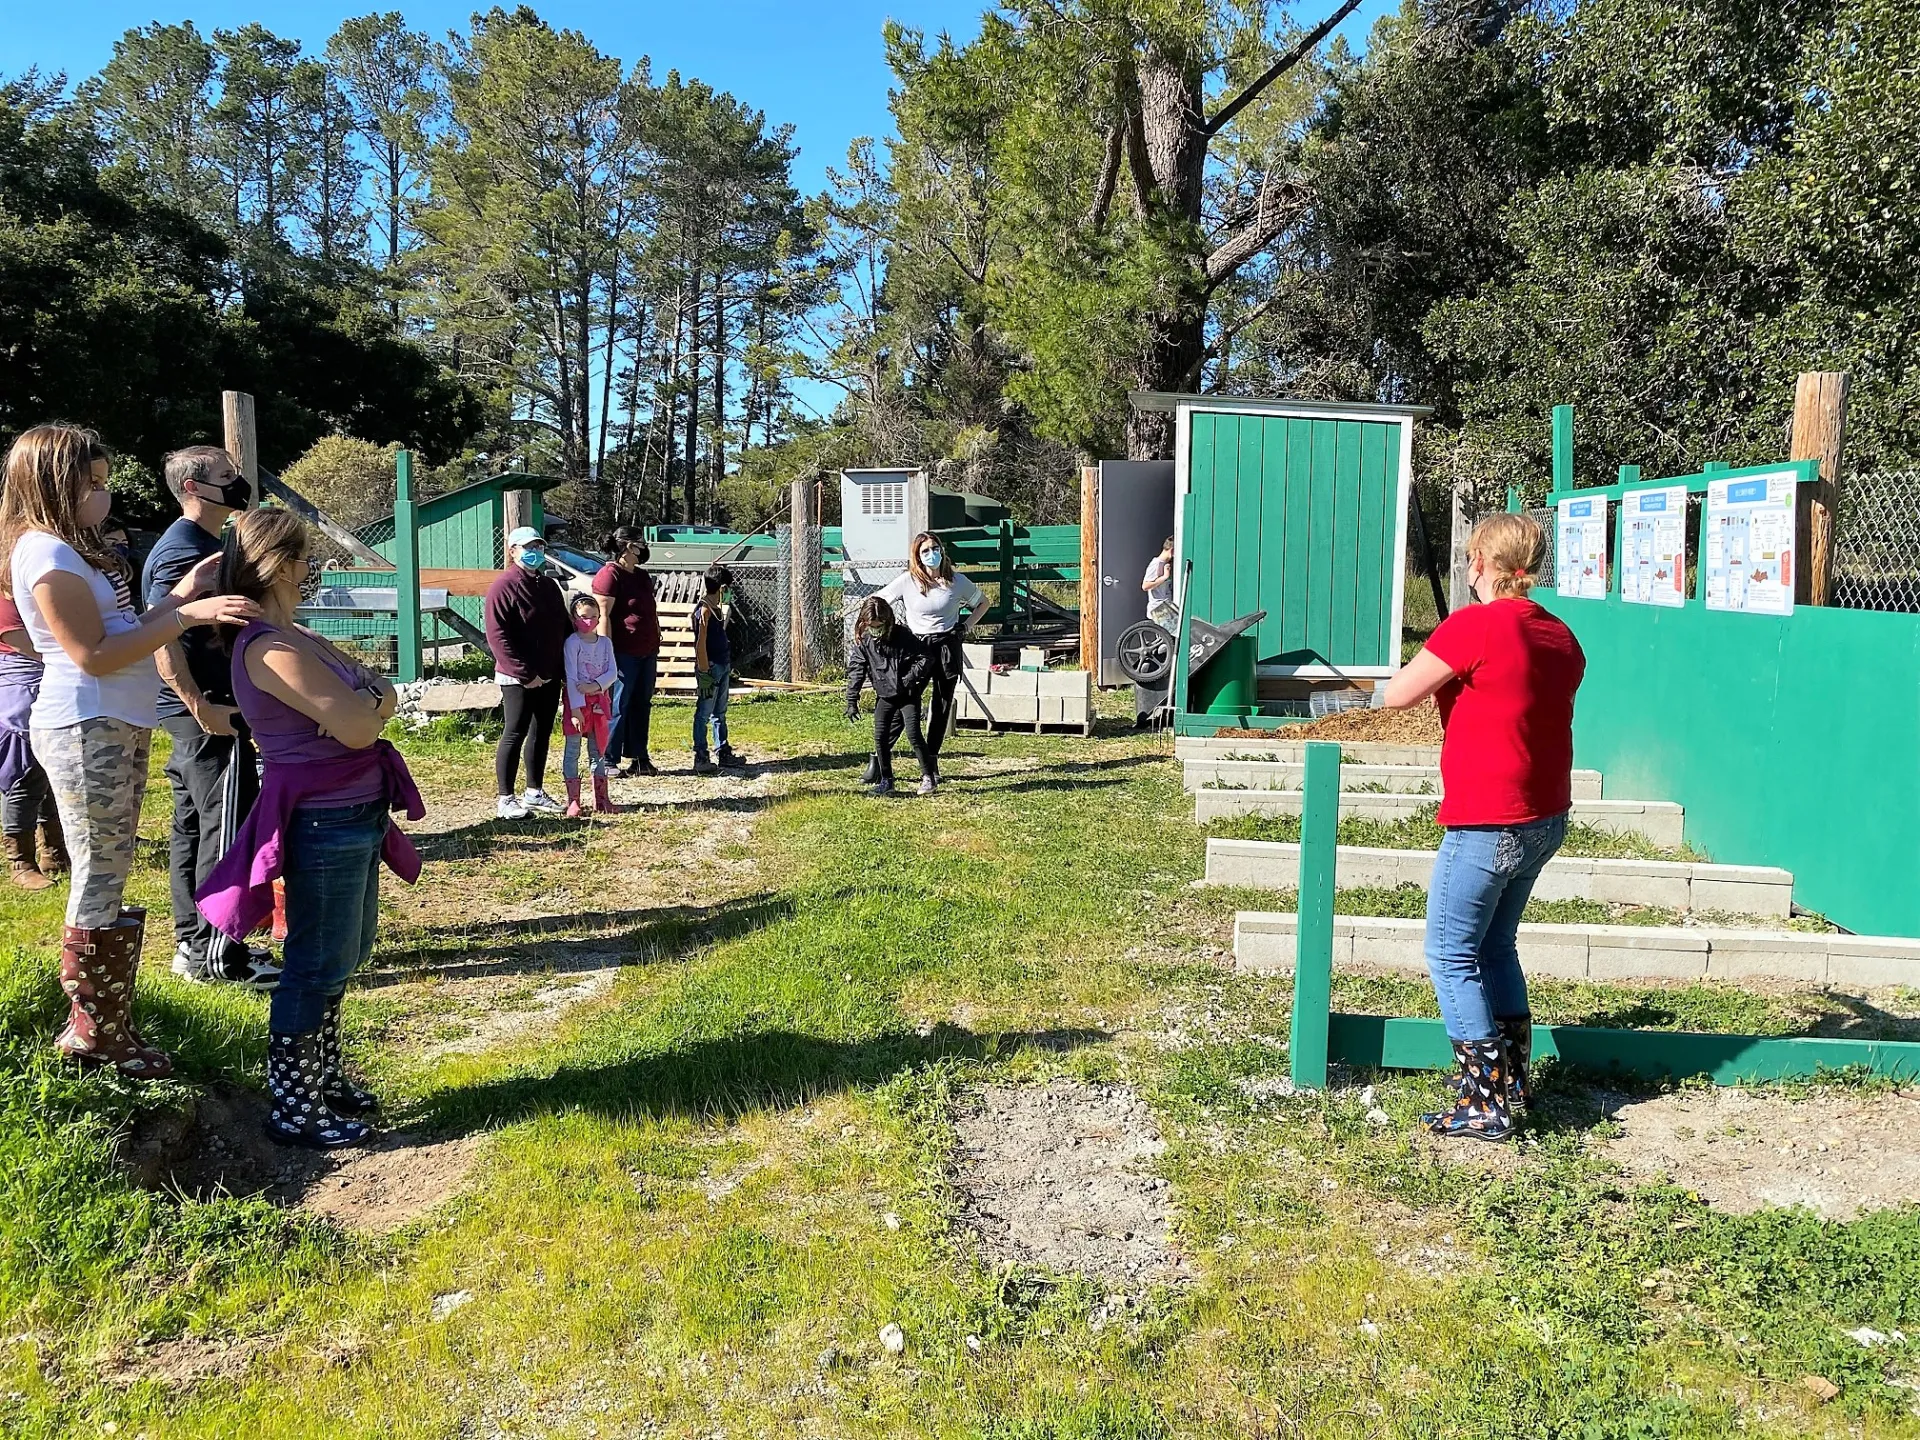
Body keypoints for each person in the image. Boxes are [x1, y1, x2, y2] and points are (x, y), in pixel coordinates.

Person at [2, 424, 258, 1078]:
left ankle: (109, 1025)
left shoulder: (68, 550)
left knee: (110, 872)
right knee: (98, 874)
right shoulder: (46, 555)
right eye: (91, 483)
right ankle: (93, 1035)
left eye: (103, 481)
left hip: (113, 723)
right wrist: (187, 617)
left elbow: (125, 632)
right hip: (87, 726)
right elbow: (92, 656)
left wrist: (177, 597)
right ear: (54, 483)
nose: (103, 495)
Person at [196, 509, 423, 1150]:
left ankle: (320, 1079)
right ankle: (294, 1106)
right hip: (324, 819)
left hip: (353, 812)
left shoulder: (297, 636)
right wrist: (368, 707)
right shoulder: (270, 647)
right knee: (315, 963)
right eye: (303, 558)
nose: (310, 569)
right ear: (279, 566)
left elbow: (377, 695)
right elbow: (360, 724)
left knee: (344, 954)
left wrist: (368, 704)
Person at [1381, 512, 1585, 1142]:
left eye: (1471, 558)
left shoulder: (1473, 625)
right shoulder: (1560, 634)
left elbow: (1398, 694)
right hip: (1544, 817)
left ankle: (1483, 1102)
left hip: (1487, 820)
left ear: (1481, 563)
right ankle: (1511, 1081)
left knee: (1450, 953)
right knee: (1496, 946)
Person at [143, 445, 278, 988]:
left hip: (203, 707)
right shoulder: (184, 551)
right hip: (207, 709)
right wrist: (199, 705)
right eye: (226, 476)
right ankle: (219, 956)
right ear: (193, 488)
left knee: (195, 827)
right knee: (225, 829)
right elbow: (161, 634)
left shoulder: (207, 543)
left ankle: (193, 945)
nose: (238, 483)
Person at [875, 533, 985, 781]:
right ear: (917, 556)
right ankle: (880, 757)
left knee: (941, 704)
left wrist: (965, 626)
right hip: (917, 648)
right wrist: (889, 630)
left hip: (947, 647)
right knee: (904, 700)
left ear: (942, 551)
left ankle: (932, 761)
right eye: (925, 550)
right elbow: (879, 601)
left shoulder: (957, 581)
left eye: (935, 548)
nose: (931, 554)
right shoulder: (908, 581)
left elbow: (983, 603)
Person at [484, 525, 571, 819]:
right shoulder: (503, 586)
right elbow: (498, 636)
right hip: (517, 677)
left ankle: (534, 791)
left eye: (539, 547)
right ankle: (506, 798)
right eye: (528, 547)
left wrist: (563, 668)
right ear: (513, 551)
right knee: (515, 731)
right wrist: (524, 673)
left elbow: (563, 627)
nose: (535, 552)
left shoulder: (548, 586)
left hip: (548, 674)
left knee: (541, 732)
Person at [0, 590, 65, 888]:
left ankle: (53, 849)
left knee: (49, 767)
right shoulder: (7, 586)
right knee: (24, 770)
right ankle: (20, 862)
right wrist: (69, 655)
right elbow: (14, 635)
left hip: (50, 673)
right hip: (21, 679)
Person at [844, 596, 935, 797]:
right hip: (884, 695)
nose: (876, 630)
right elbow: (857, 670)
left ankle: (928, 777)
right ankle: (886, 780)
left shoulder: (902, 636)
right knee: (880, 737)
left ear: (888, 621)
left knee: (913, 734)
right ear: (865, 623)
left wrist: (908, 679)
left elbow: (925, 657)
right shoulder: (865, 641)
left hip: (907, 694)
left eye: (879, 626)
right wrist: (852, 700)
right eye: (872, 626)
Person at [592, 525, 660, 777]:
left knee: (642, 704)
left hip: (647, 651)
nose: (644, 548)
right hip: (622, 653)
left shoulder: (641, 576)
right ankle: (608, 759)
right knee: (618, 705)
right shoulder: (610, 575)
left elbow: (649, 610)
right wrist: (605, 652)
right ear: (629, 546)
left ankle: (639, 757)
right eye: (640, 543)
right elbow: (603, 615)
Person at [562, 592, 617, 817]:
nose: (589, 621)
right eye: (584, 616)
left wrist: (595, 686)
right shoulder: (572, 643)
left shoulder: (605, 643)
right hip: (578, 704)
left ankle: (601, 799)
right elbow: (571, 675)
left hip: (599, 703)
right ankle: (573, 800)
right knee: (572, 750)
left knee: (598, 750)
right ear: (574, 618)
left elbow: (612, 672)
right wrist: (575, 709)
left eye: (594, 616)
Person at [690, 564, 740, 774]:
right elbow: (700, 643)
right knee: (704, 713)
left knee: (720, 712)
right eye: (727, 587)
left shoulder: (716, 609)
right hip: (710, 668)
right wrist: (704, 672)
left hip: (722, 664)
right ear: (721, 587)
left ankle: (723, 750)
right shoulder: (704, 611)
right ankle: (701, 755)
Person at [1142, 536, 1178, 631]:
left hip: (1167, 606)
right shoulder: (1156, 564)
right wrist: (1164, 577)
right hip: (1158, 608)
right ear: (1172, 551)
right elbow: (1145, 586)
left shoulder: (1166, 564)